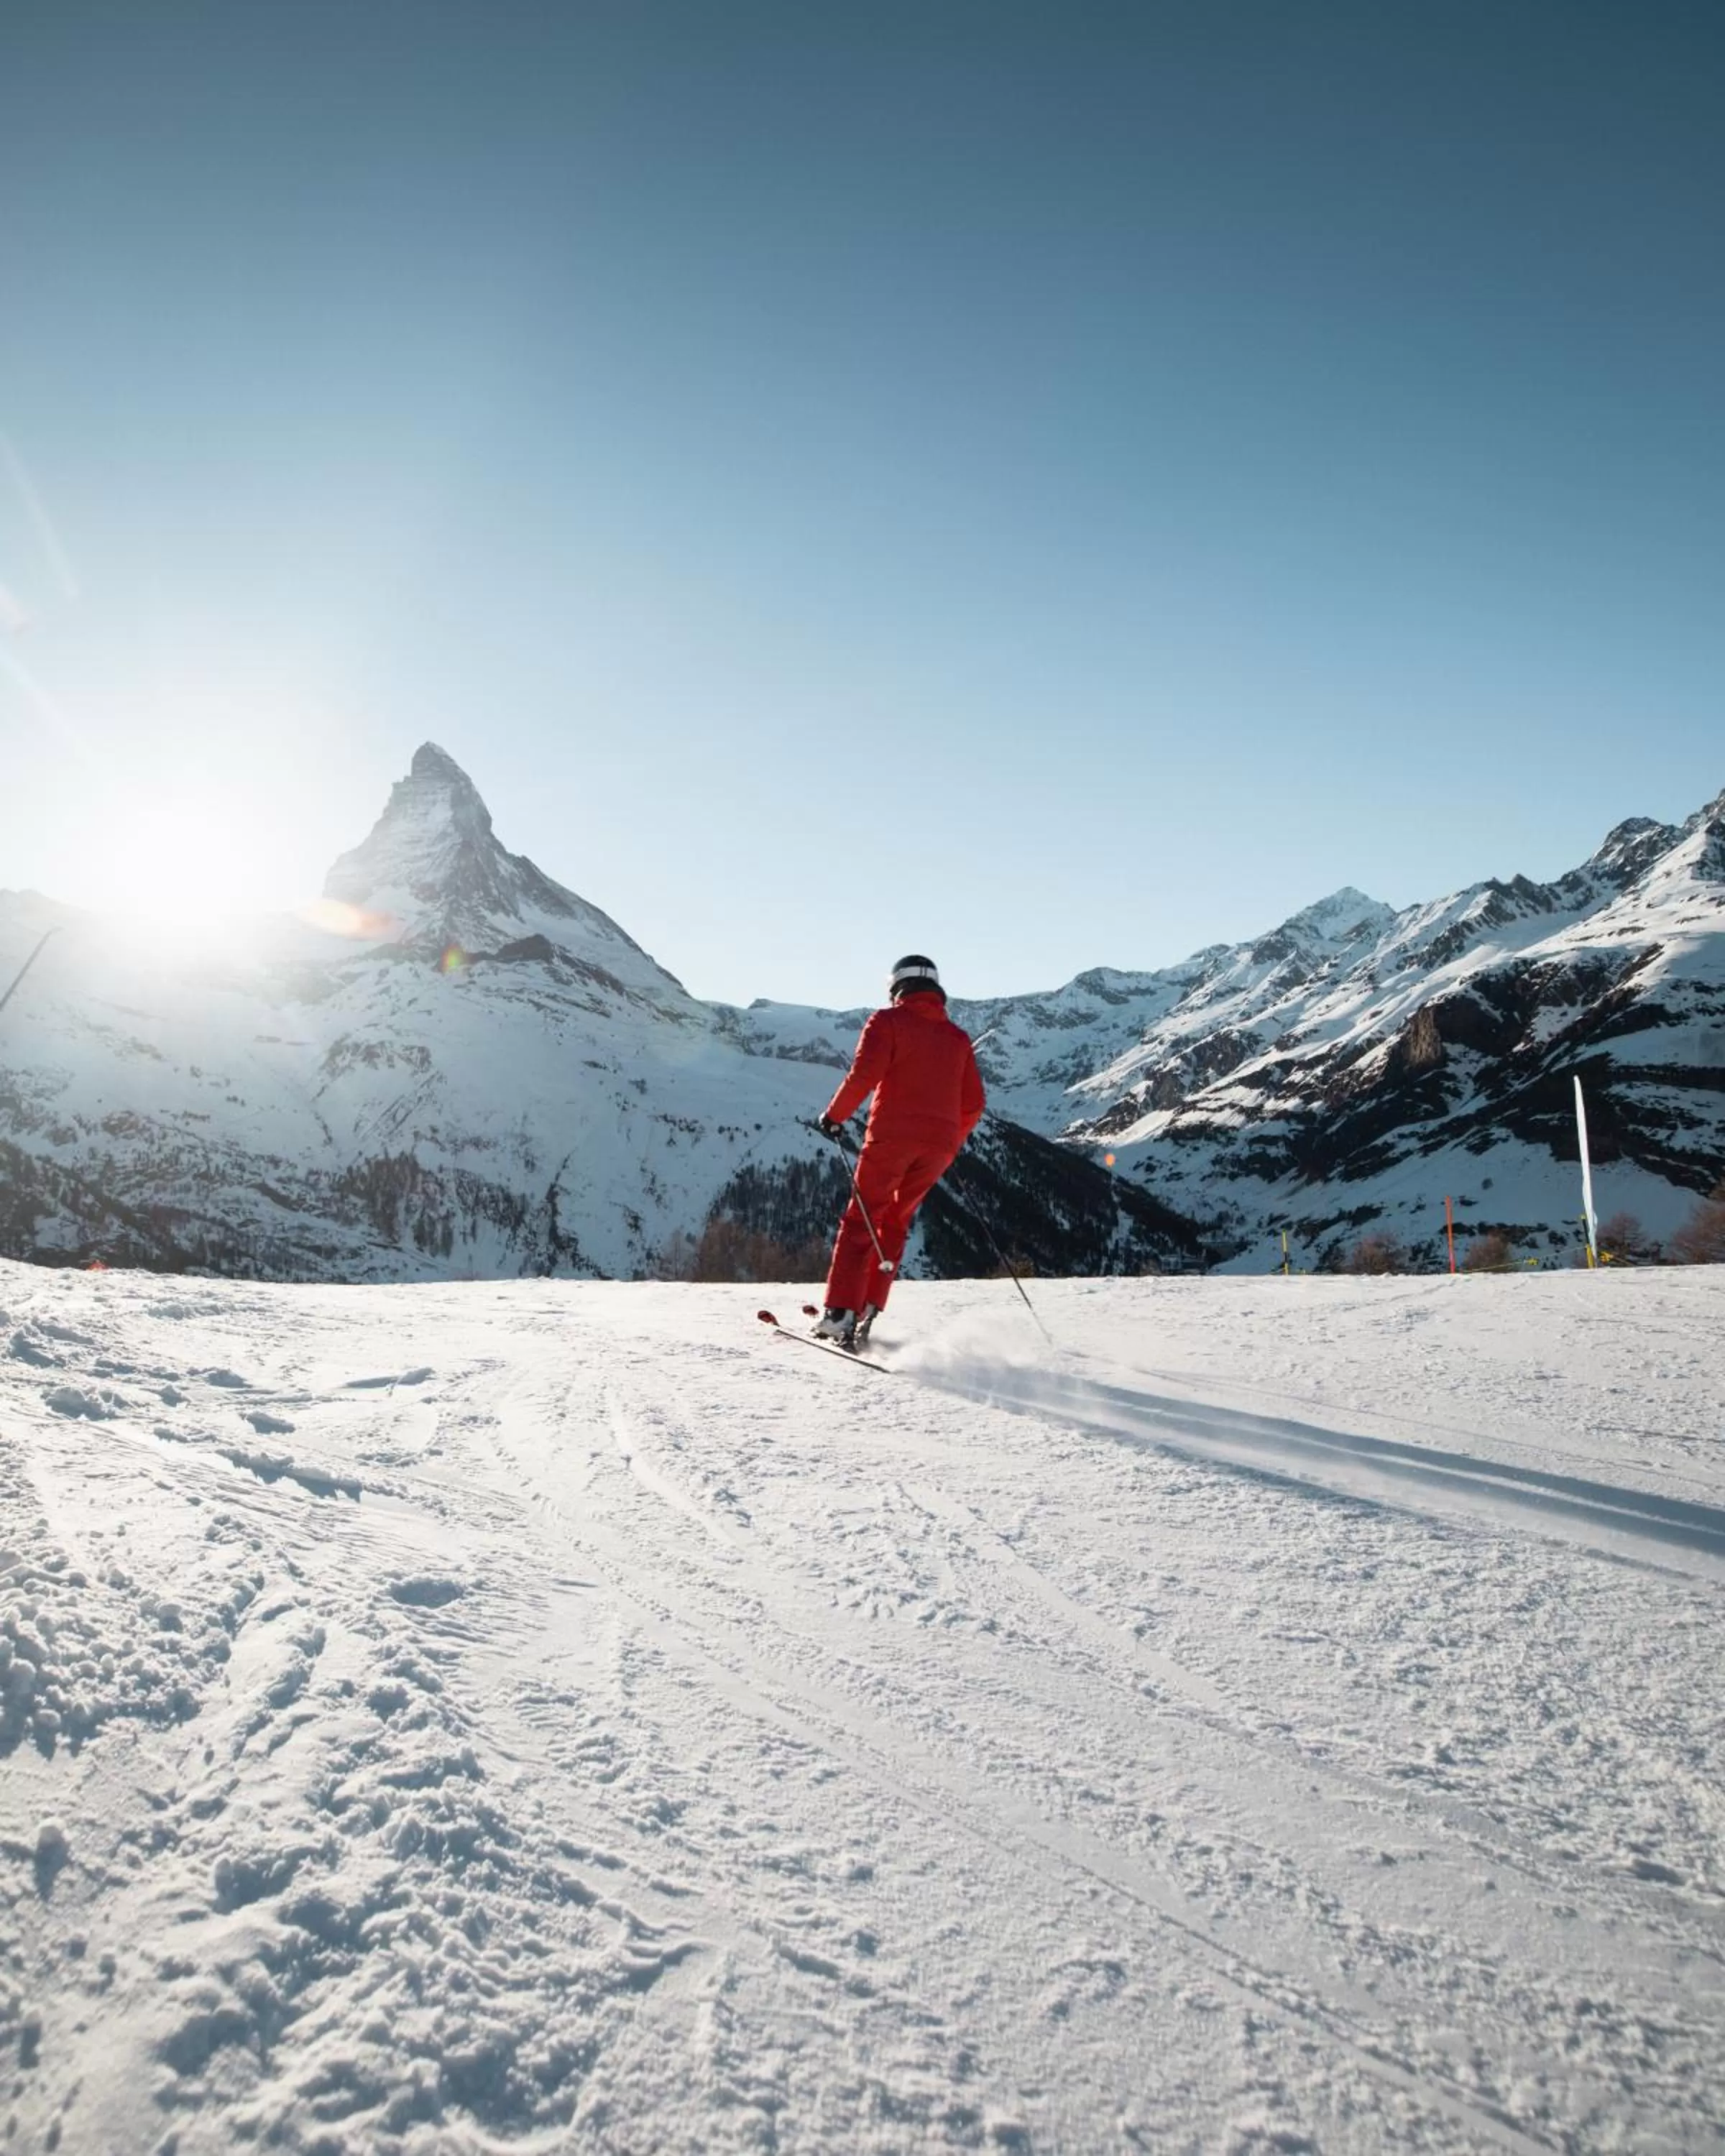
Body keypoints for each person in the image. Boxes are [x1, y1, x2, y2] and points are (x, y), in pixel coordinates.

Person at [812, 954, 985, 1348]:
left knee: (863, 1221)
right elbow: (974, 1103)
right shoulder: (958, 1039)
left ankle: (840, 1314)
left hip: (891, 1138)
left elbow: (864, 1075)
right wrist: (947, 1140)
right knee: (895, 1222)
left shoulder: (887, 1022)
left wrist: (834, 1117)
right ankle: (869, 1309)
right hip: (939, 1148)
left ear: (896, 987)